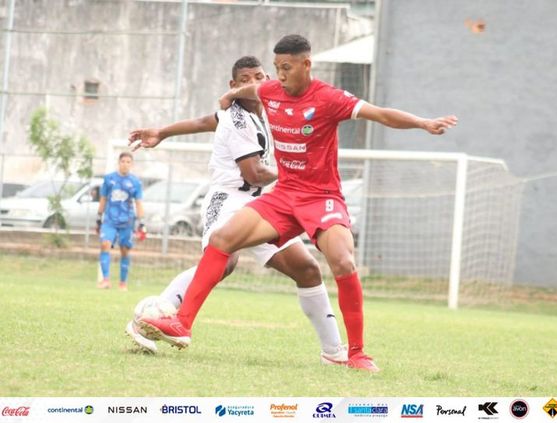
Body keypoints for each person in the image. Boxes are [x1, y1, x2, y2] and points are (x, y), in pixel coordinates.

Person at [139, 35, 457, 373]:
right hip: (283, 196)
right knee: (222, 241)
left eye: (286, 68)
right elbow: (248, 93)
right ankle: (182, 323)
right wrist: (231, 94)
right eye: (276, 68)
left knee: (343, 261)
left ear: (307, 65)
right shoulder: (270, 91)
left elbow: (380, 114)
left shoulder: (329, 98)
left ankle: (358, 353)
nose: (280, 75)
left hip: (321, 198)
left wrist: (423, 123)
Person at [126, 56, 347, 365]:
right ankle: (151, 316)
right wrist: (293, 174)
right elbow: (253, 173)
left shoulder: (267, 109)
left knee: (306, 269)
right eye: (246, 79)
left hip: (261, 203)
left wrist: (163, 132)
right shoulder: (237, 118)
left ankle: (335, 354)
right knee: (224, 263)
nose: (254, 83)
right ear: (234, 87)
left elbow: (205, 121)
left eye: (260, 76)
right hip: (229, 201)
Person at [96, 152, 145, 291]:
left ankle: (123, 283)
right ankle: (105, 280)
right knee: (105, 245)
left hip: (127, 222)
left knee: (124, 251)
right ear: (119, 162)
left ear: (132, 164)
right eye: (123, 161)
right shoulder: (109, 179)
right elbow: (103, 198)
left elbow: (138, 202)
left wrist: (142, 222)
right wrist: (99, 217)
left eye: (128, 162)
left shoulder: (135, 182)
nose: (125, 164)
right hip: (109, 220)